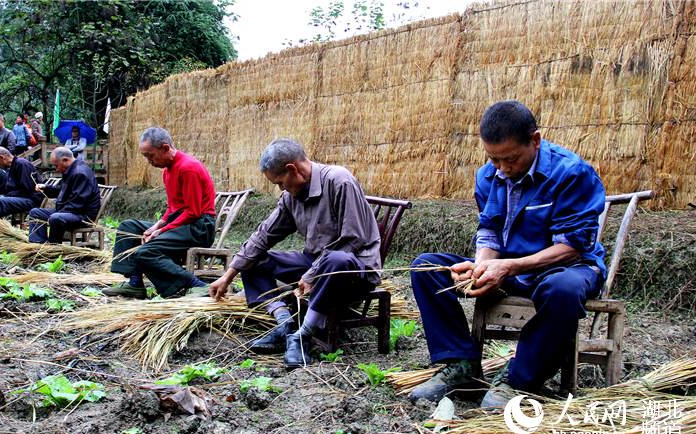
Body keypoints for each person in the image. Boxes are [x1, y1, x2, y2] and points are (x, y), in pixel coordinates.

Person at [408, 100, 606, 409]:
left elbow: (572, 247)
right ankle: (461, 364)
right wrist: (482, 267)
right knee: (427, 267)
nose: (502, 168)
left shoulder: (571, 173)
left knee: (563, 290)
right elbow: (489, 231)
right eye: (494, 159)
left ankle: (518, 379)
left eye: (510, 159)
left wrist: (508, 267)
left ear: (535, 140)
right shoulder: (488, 176)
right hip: (509, 268)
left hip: (564, 269)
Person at [208, 138, 382, 370]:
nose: (281, 189)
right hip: (316, 264)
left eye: (280, 182)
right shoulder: (291, 197)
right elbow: (263, 236)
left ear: (293, 169)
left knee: (335, 259)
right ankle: (285, 324)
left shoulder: (339, 181)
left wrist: (312, 274)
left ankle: (303, 335)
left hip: (352, 270)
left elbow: (352, 239)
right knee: (254, 260)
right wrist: (228, 275)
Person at [102, 127, 216, 299]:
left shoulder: (188, 168)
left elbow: (193, 212)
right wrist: (155, 227)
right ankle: (135, 283)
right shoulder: (168, 171)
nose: (149, 161)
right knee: (128, 227)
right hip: (181, 223)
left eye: (150, 156)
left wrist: (162, 231)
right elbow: (172, 208)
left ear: (165, 148)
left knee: (146, 252)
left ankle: (196, 285)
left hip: (198, 227)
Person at [28, 147, 101, 244]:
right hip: (69, 211)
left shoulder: (80, 173)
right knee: (36, 213)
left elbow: (77, 204)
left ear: (65, 160)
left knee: (56, 218)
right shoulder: (71, 170)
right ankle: (37, 244)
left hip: (82, 216)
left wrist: (59, 211)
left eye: (56, 165)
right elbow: (61, 190)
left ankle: (54, 247)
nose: (56, 169)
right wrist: (46, 188)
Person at [0, 146, 43, 225]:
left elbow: (28, 189)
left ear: (2, 158)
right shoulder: (10, 167)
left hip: (30, 199)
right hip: (17, 197)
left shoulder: (22, 164)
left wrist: (8, 195)